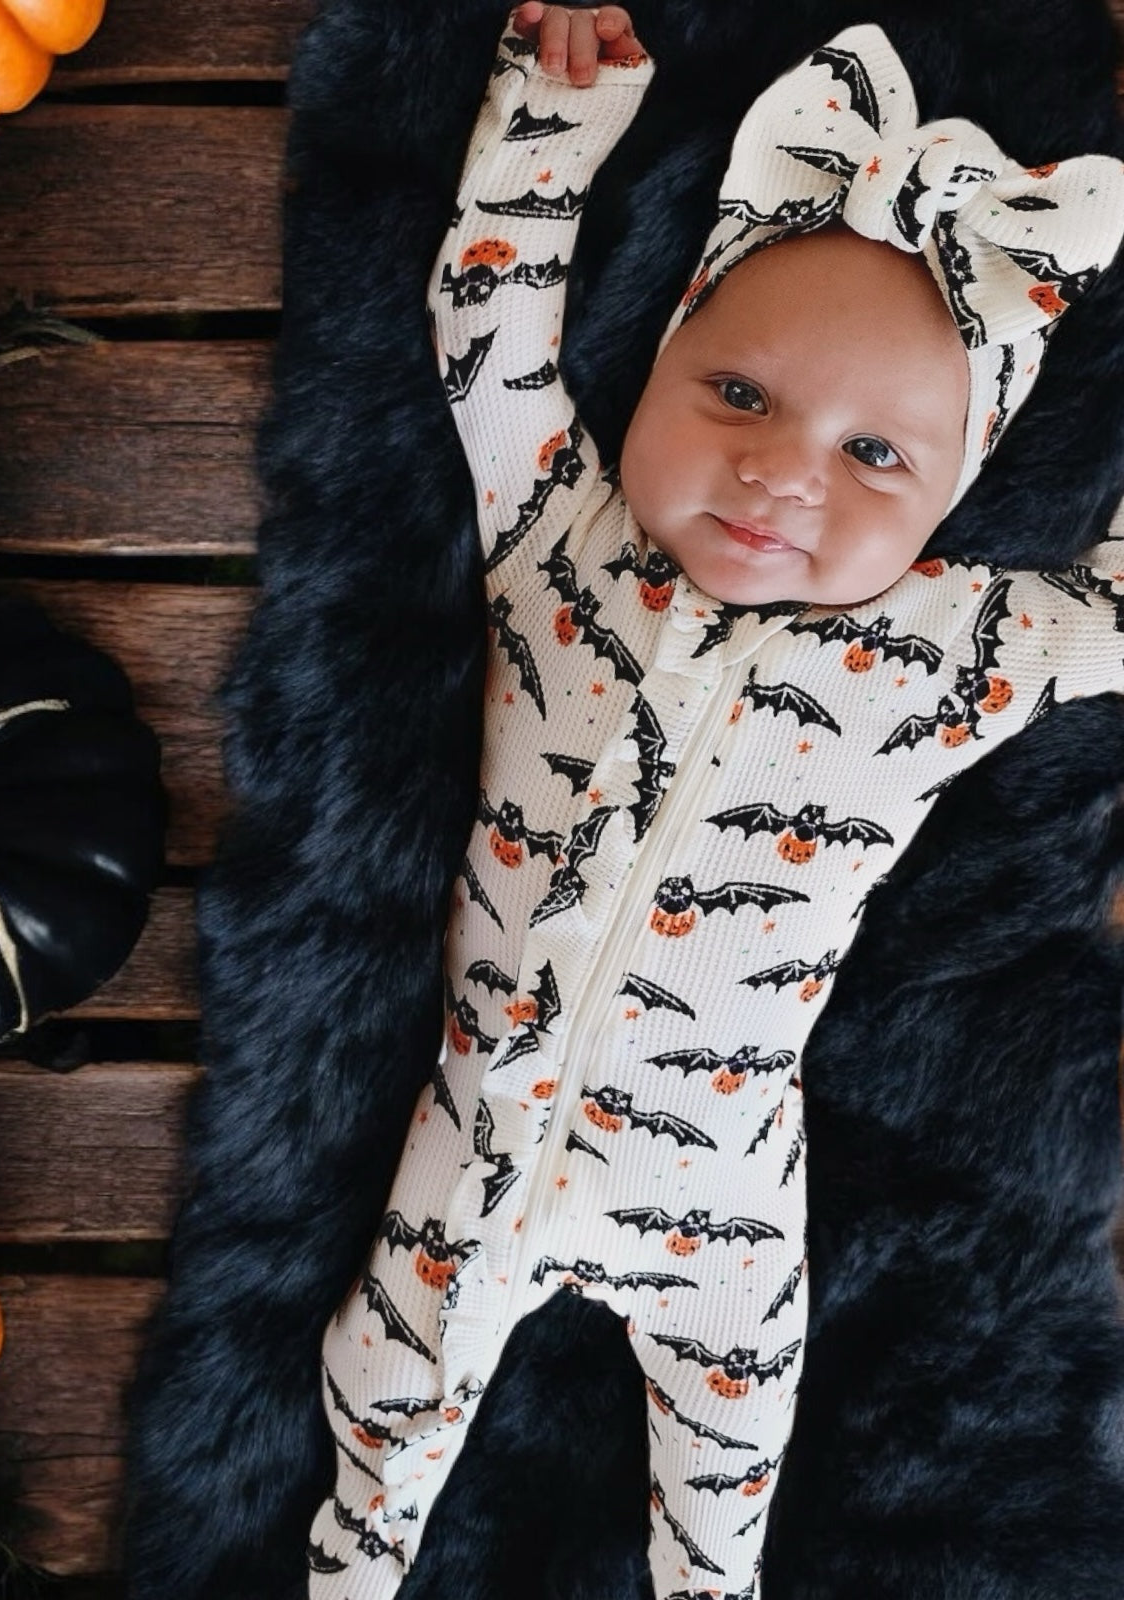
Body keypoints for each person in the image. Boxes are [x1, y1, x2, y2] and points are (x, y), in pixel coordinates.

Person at [306, 8, 1124, 1597]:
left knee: (729, 1476)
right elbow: (494, 330)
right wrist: (552, 131)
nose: (783, 475)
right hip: (480, 1146)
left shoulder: (948, 648)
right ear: (669, 352)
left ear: (949, 502)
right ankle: (351, 1560)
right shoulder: (568, 547)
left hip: (724, 1193)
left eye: (876, 452)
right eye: (738, 394)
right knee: (382, 1405)